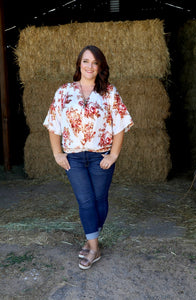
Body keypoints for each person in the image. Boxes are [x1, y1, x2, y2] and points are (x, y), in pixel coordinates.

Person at [43, 45, 133, 270]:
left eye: (94, 62)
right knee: (85, 200)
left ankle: (90, 239)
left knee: (99, 200)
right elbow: (53, 125)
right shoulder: (64, 91)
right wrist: (57, 153)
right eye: (85, 61)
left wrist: (113, 155)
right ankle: (94, 248)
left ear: (100, 66)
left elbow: (120, 125)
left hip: (99, 156)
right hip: (73, 157)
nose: (89, 66)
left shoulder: (109, 92)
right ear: (79, 64)